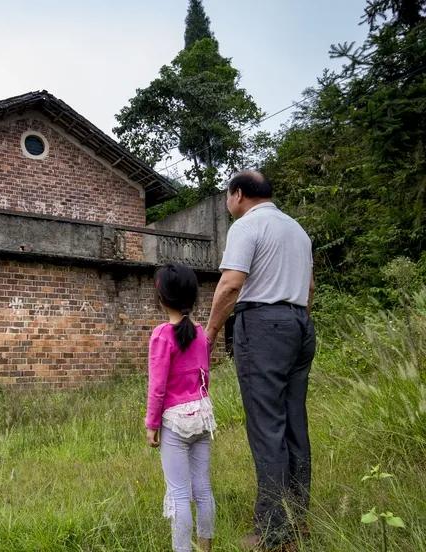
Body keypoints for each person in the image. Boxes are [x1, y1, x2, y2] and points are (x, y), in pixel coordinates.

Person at [205, 171, 316, 552]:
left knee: (267, 427)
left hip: (265, 326)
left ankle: (273, 533)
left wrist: (210, 334)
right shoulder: (297, 230)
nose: (227, 204)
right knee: (294, 424)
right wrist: (295, 321)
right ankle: (298, 520)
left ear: (238, 194)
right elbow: (310, 287)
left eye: (226, 197)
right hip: (300, 323)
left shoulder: (247, 225)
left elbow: (231, 283)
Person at [146, 263, 216, 552]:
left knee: (178, 493)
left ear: (161, 297)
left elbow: (157, 386)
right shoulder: (201, 333)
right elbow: (205, 375)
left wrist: (151, 425)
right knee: (202, 488)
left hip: (175, 422)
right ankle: (206, 545)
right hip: (202, 415)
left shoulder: (162, 335)